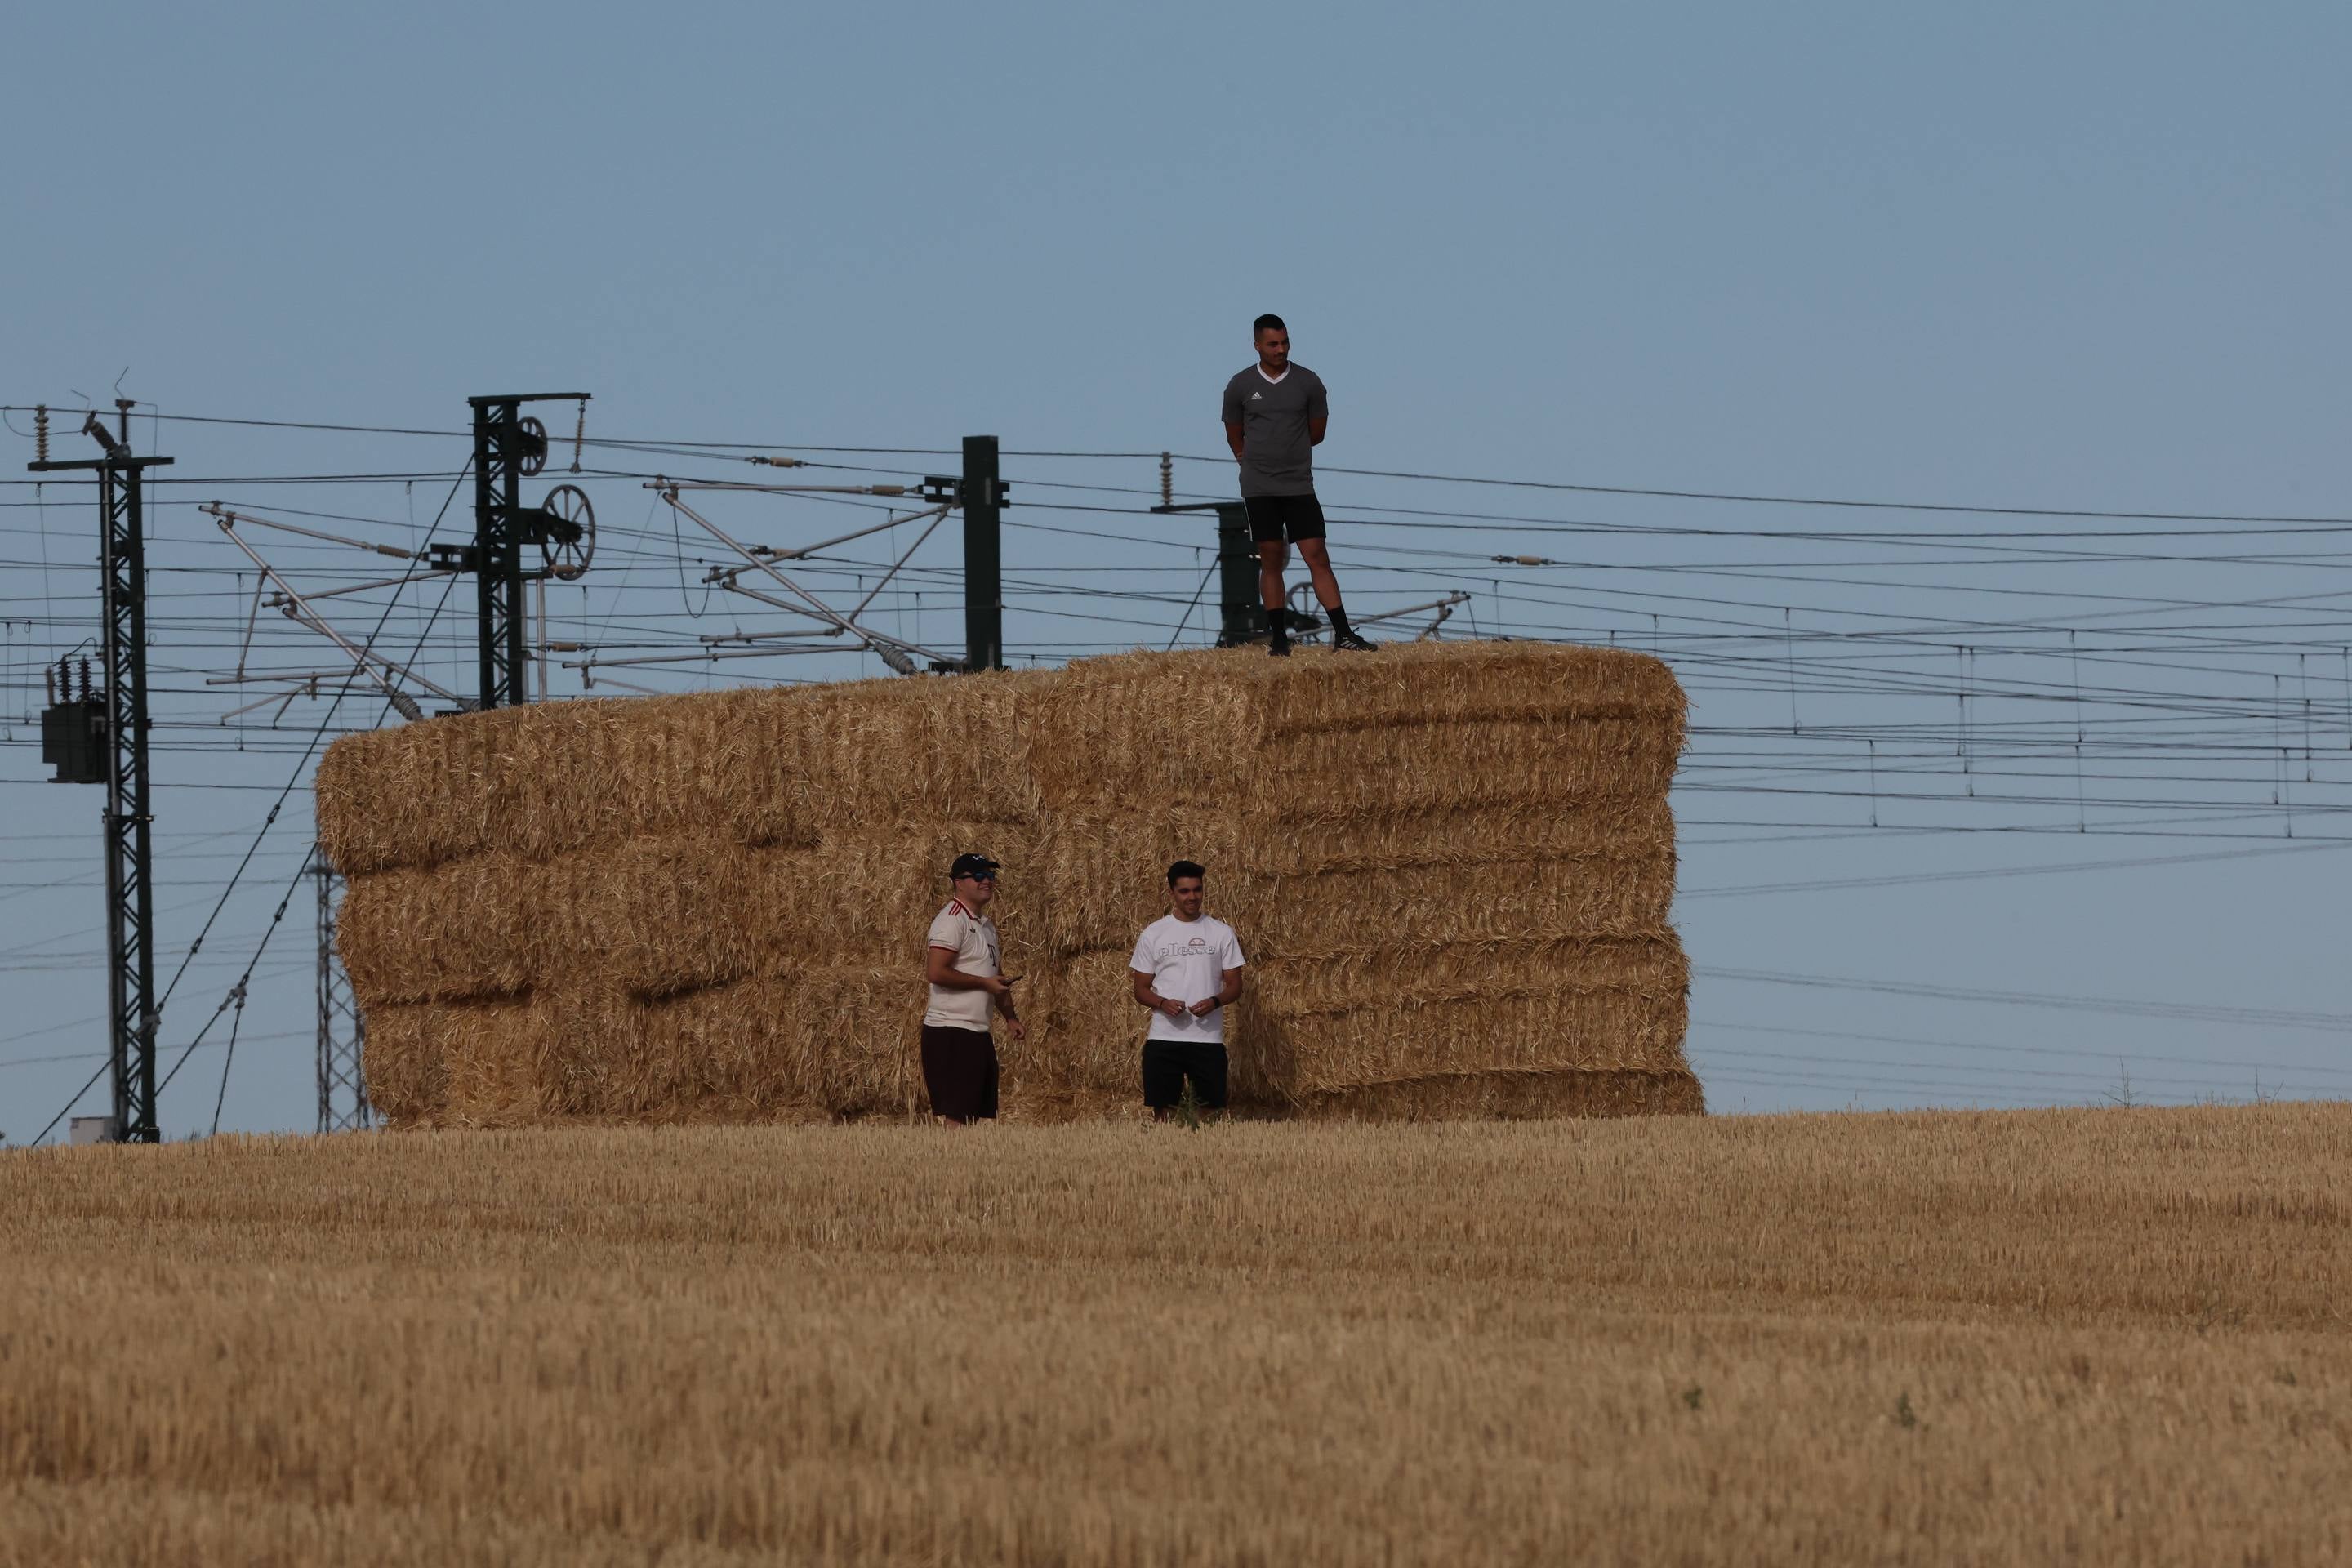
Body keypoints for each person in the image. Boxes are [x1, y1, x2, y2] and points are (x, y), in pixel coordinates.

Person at [1220, 313, 1373, 655]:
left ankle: (1345, 634)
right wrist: (1256, 462)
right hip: (1259, 489)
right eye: (1273, 344)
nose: (1281, 349)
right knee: (1271, 559)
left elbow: (1317, 432)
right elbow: (1234, 437)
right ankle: (1278, 640)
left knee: (1317, 555)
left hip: (1300, 486)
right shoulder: (1240, 385)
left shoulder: (1309, 382)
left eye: (1285, 342)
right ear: (1257, 345)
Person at [1128, 860, 1248, 1120]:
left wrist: (1215, 1001)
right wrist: (1162, 1003)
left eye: (1197, 890)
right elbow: (1140, 989)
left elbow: (1235, 985)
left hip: (1208, 1039)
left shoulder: (1221, 933)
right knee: (1164, 1115)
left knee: (1209, 1115)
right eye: (1184, 891)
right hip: (1164, 1038)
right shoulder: (1153, 934)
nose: (1192, 897)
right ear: (1172, 892)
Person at [921, 852, 1024, 1125]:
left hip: (977, 1031)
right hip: (951, 1030)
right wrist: (984, 984)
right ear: (958, 882)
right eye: (978, 876)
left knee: (974, 1114)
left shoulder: (987, 926)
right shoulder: (952, 920)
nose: (987, 881)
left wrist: (1010, 1017)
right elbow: (935, 972)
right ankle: (949, 1166)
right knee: (957, 1115)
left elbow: (996, 977)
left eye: (990, 875)